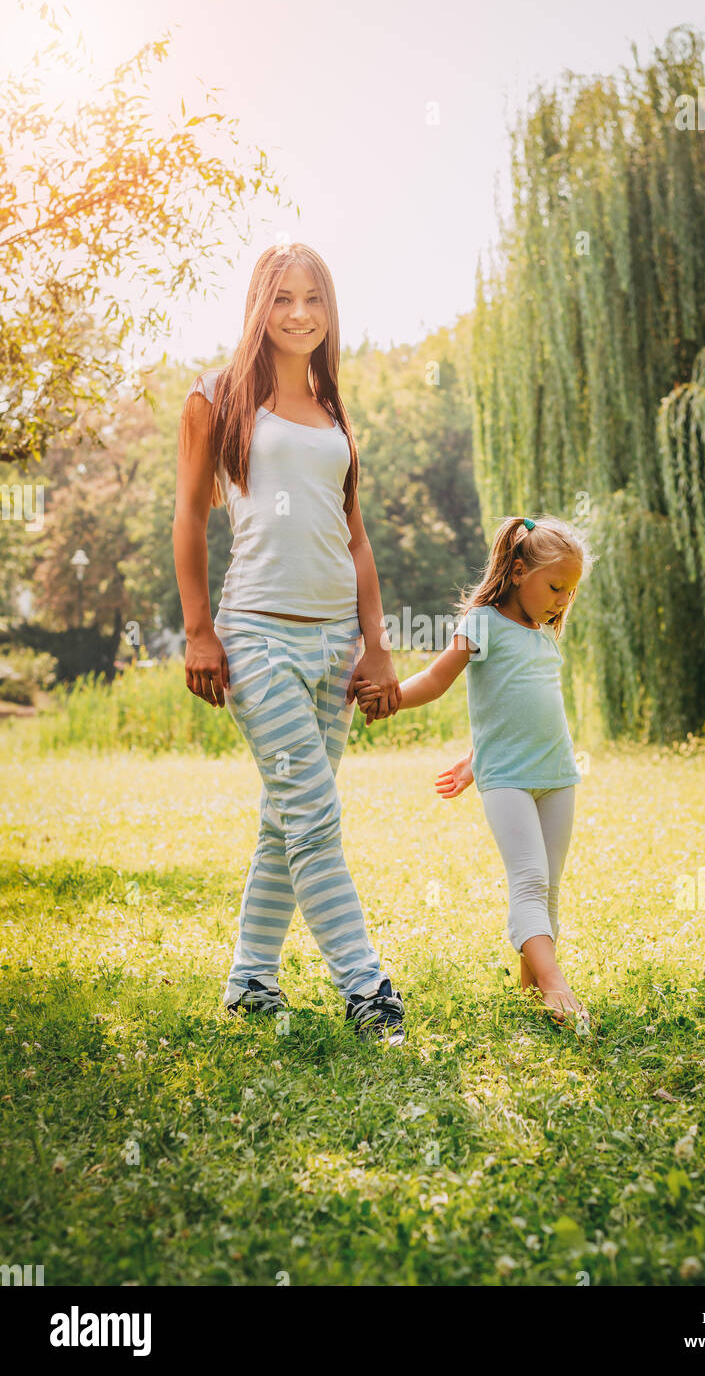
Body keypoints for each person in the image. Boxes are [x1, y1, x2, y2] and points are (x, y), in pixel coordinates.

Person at [172, 241, 405, 1045]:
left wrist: (375, 647)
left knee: (287, 816)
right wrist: (199, 631)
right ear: (257, 307)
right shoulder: (216, 396)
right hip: (256, 636)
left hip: (337, 644)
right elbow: (189, 518)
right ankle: (367, 986)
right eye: (281, 299)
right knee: (312, 812)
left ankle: (249, 981)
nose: (299, 313)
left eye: (313, 299)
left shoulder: (335, 410)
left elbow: (357, 539)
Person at [356, 515, 595, 1031]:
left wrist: (472, 756)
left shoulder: (544, 632)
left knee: (550, 886)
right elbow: (437, 681)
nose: (561, 601)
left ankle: (532, 992)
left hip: (558, 774)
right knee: (529, 878)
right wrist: (392, 697)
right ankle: (558, 987)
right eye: (555, 587)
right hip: (507, 779)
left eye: (570, 592)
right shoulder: (483, 622)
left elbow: (519, 708)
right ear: (515, 571)